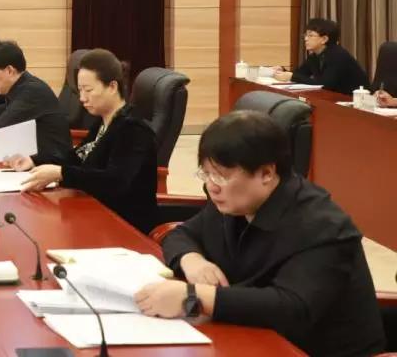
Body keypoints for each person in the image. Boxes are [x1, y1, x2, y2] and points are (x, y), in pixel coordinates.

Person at [134, 111, 384, 357]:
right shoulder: (235, 202)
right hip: (251, 338)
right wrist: (192, 260)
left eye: (221, 175)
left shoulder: (323, 226)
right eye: (206, 173)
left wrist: (194, 297)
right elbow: (181, 234)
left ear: (266, 173)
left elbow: (292, 307)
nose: (211, 186)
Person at [6, 49, 157, 234]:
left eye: (89, 90)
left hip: (124, 226)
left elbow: (116, 181)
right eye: (80, 90)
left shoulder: (133, 129)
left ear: (112, 87)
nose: (82, 98)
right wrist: (34, 161)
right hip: (96, 213)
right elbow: (75, 158)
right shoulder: (103, 122)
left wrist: (61, 173)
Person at [0, 41, 72, 165]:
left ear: (9, 71)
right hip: (34, 160)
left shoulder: (32, 92)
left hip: (52, 164)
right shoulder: (19, 87)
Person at [272, 18, 368, 95]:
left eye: (311, 35)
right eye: (305, 35)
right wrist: (282, 71)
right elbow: (300, 74)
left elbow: (325, 85)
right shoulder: (314, 55)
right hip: (333, 98)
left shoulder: (338, 55)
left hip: (354, 100)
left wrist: (292, 76)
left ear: (324, 39)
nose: (305, 39)